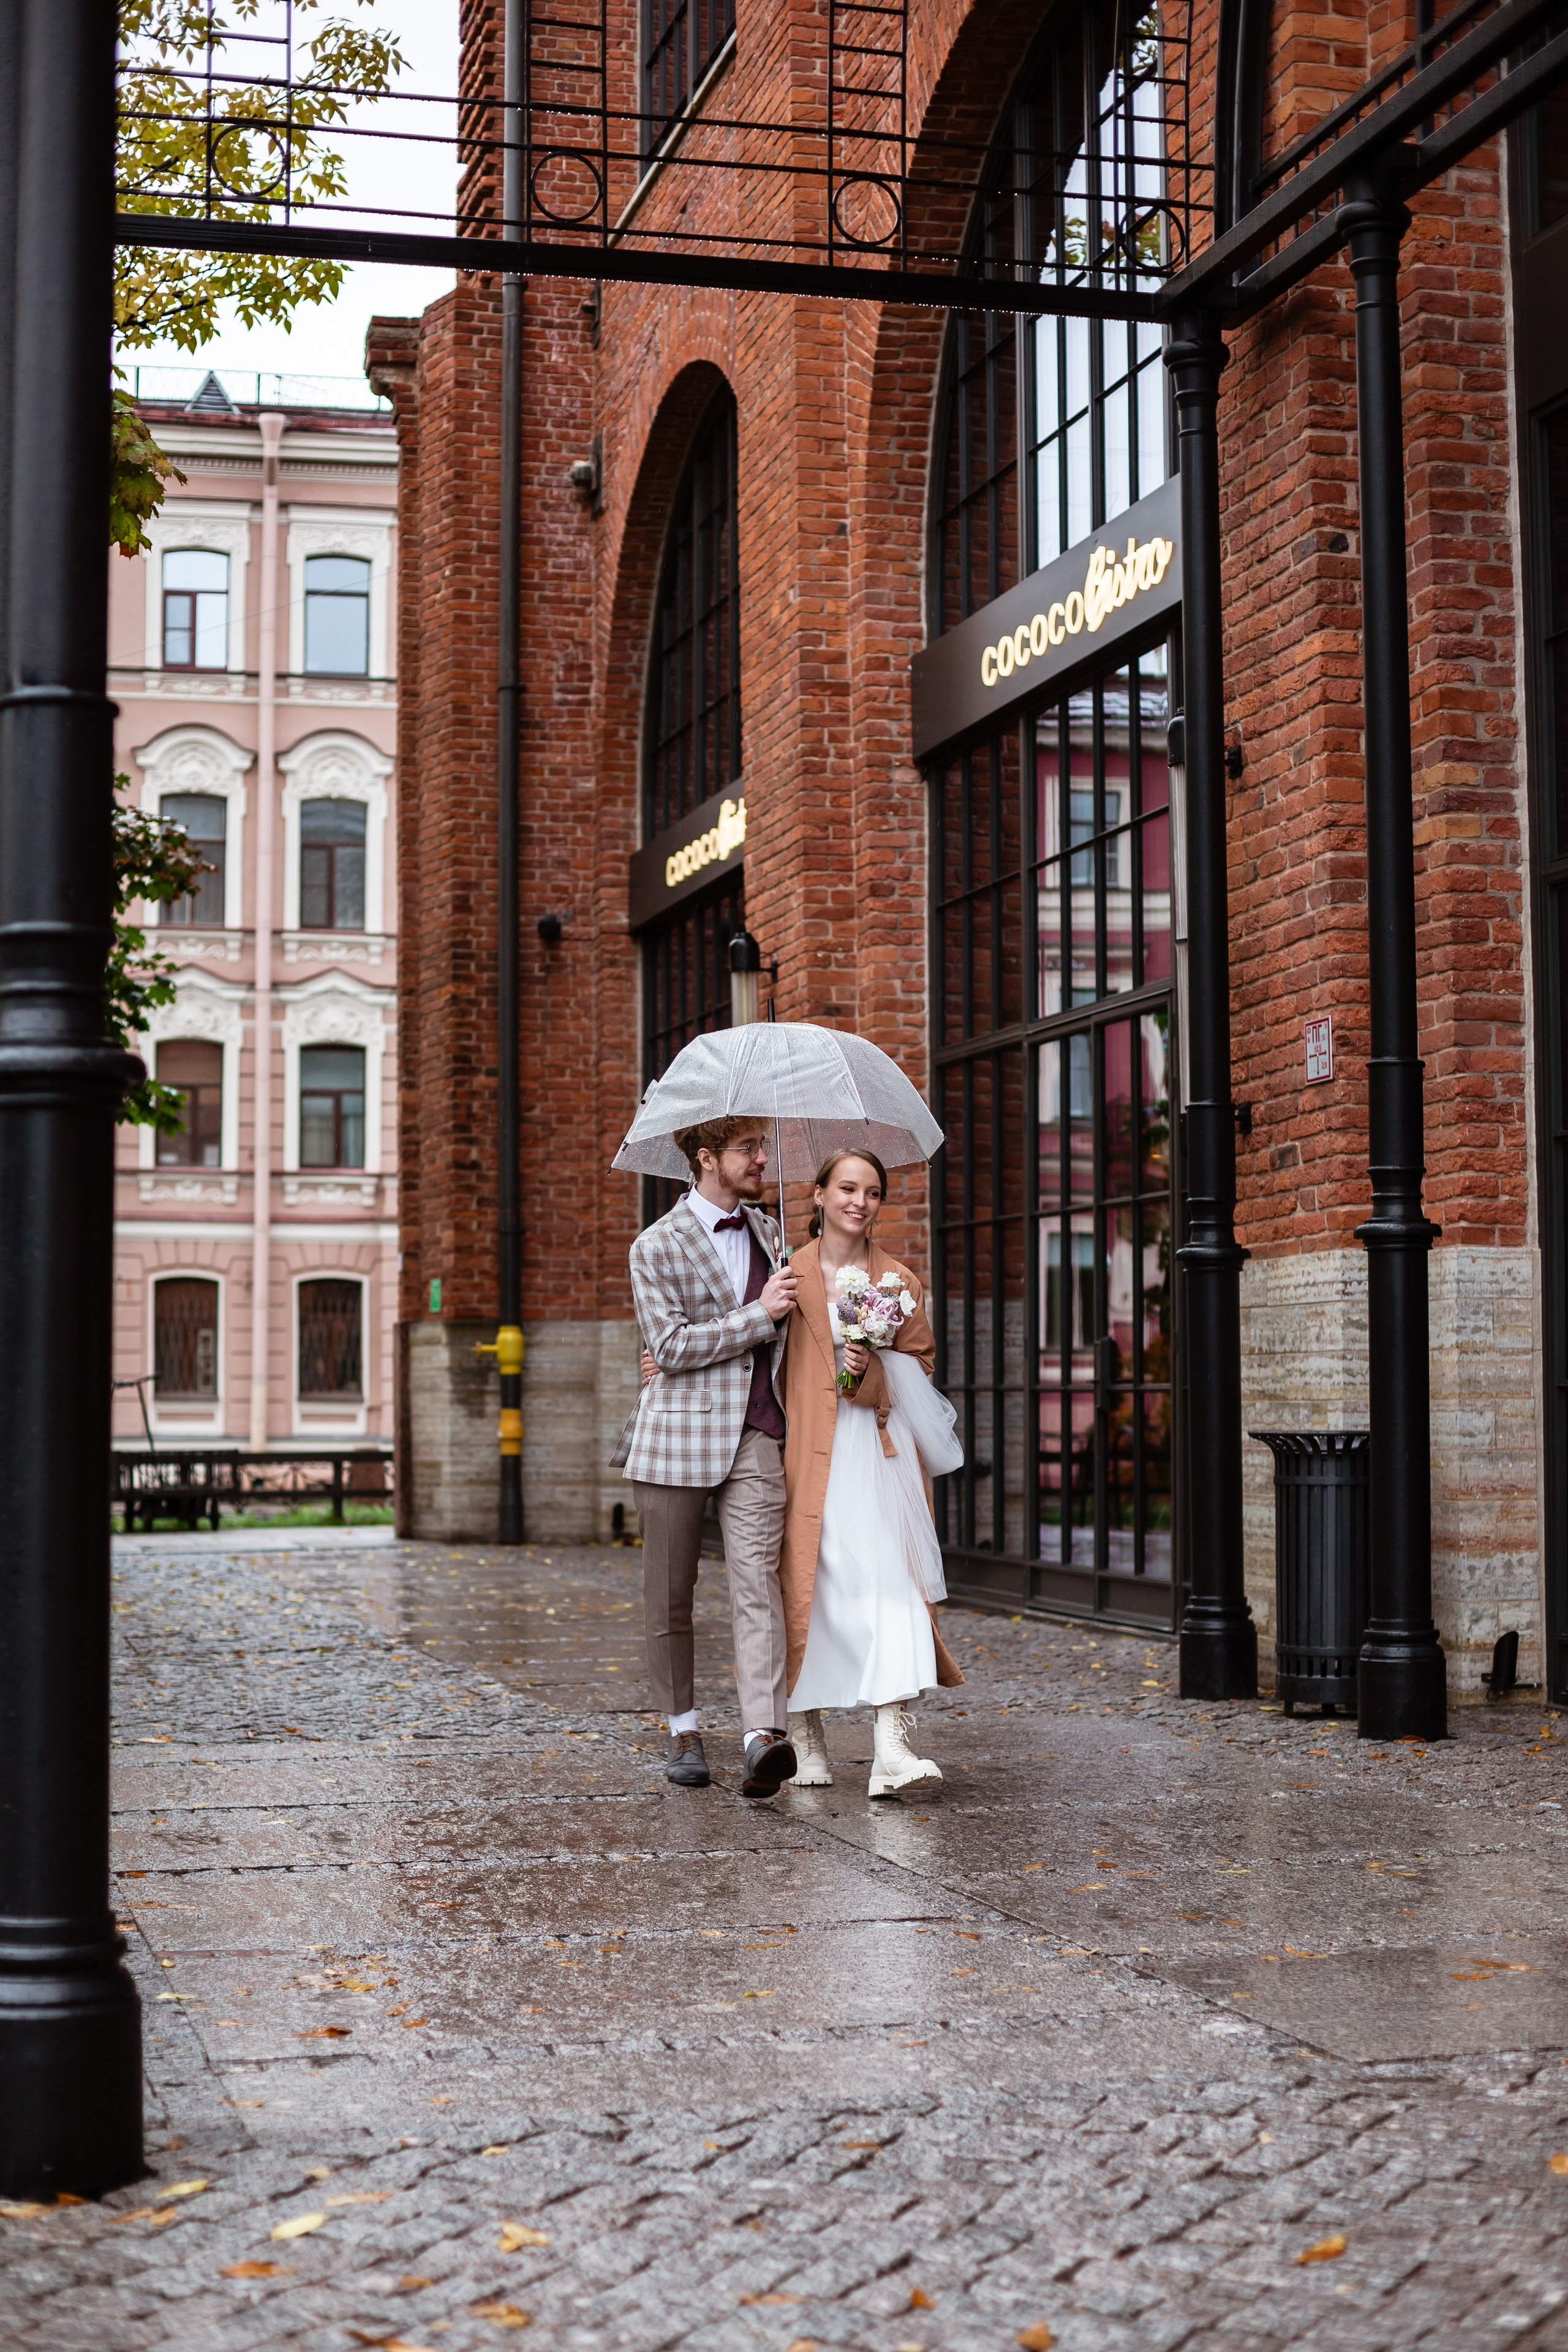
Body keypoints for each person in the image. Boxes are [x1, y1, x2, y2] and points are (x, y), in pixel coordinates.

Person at [612, 1117, 800, 1799]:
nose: (762, 1158)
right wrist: (759, 1313)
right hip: (677, 1437)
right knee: (670, 1595)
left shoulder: (772, 1234)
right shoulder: (653, 1247)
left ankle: (762, 1737)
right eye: (748, 1148)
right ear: (705, 1157)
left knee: (759, 1586)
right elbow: (669, 1347)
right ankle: (683, 1727)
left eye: (763, 1146)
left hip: (757, 1431)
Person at [777, 1149, 965, 1798]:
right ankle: (806, 1740)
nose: (860, 1201)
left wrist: (873, 1366)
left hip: (878, 1453)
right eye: (848, 1188)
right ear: (821, 1194)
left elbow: (925, 1369)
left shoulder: (899, 1282)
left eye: (873, 1192)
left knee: (893, 1584)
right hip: (804, 1456)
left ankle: (890, 1747)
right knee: (809, 1591)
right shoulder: (787, 1277)